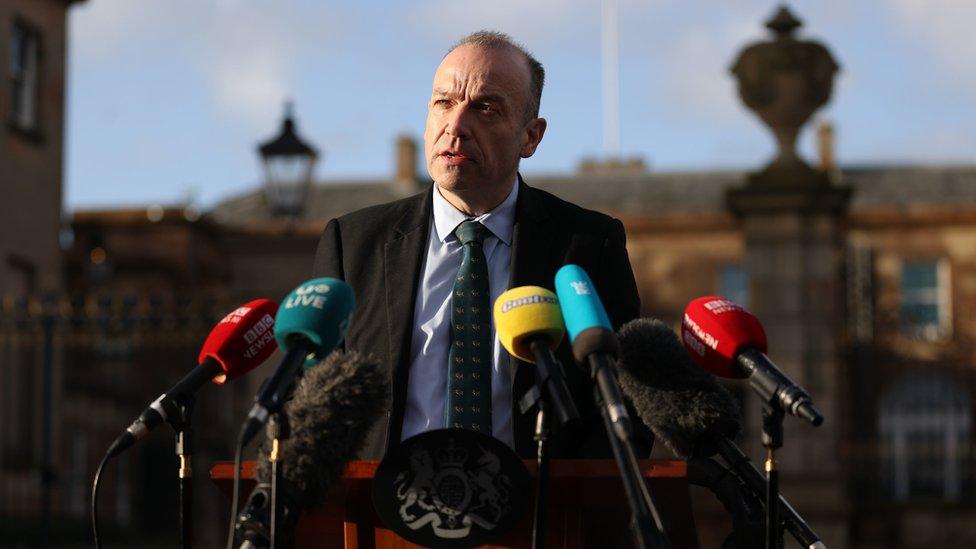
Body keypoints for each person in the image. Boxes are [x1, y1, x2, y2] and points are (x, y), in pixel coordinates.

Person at [312, 30, 641, 459]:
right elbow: (314, 407)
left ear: (531, 137)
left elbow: (623, 404)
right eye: (443, 102)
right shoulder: (354, 244)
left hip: (539, 514)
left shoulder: (588, 244)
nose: (456, 125)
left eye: (485, 108)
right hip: (386, 515)